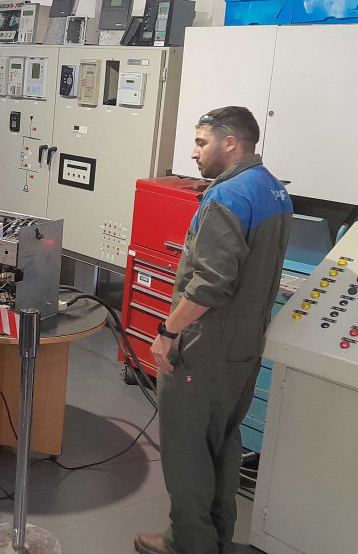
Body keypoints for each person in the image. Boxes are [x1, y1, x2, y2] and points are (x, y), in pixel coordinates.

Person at [135, 107, 292, 554]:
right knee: (222, 443)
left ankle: (189, 543)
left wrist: (167, 331)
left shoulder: (228, 197)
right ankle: (216, 537)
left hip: (204, 348)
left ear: (231, 142)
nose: (194, 152)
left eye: (202, 142)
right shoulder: (275, 192)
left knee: (186, 452)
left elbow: (209, 285)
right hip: (244, 348)